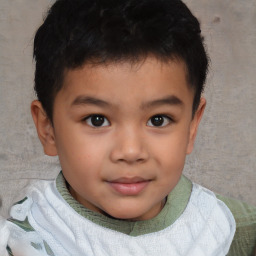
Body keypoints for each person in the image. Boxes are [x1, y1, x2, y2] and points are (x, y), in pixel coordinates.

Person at [0, 0, 255, 255]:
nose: (131, 151)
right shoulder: (26, 239)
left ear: (191, 126)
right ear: (48, 130)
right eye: (97, 120)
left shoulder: (226, 227)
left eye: (158, 120)